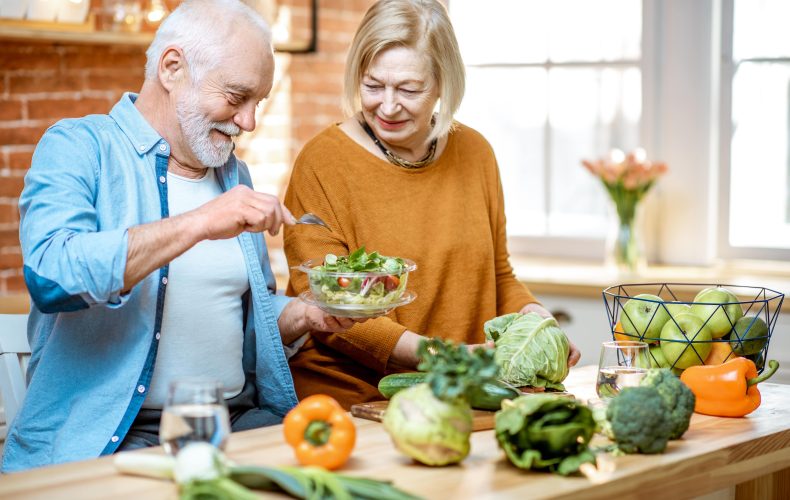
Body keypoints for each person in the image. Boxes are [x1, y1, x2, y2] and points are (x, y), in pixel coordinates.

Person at [3, 0, 360, 473]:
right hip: (116, 437)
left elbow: (233, 322)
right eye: (236, 96)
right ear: (172, 68)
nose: (249, 121)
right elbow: (51, 277)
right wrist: (199, 222)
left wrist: (305, 314)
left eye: (258, 103)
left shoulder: (234, 176)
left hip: (238, 421)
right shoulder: (79, 147)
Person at [283, 0, 581, 410]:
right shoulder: (323, 161)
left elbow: (498, 275)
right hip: (355, 401)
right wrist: (442, 356)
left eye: (409, 89)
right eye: (373, 86)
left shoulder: (475, 152)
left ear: (443, 83)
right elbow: (325, 303)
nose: (388, 106)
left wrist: (537, 322)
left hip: (460, 393)